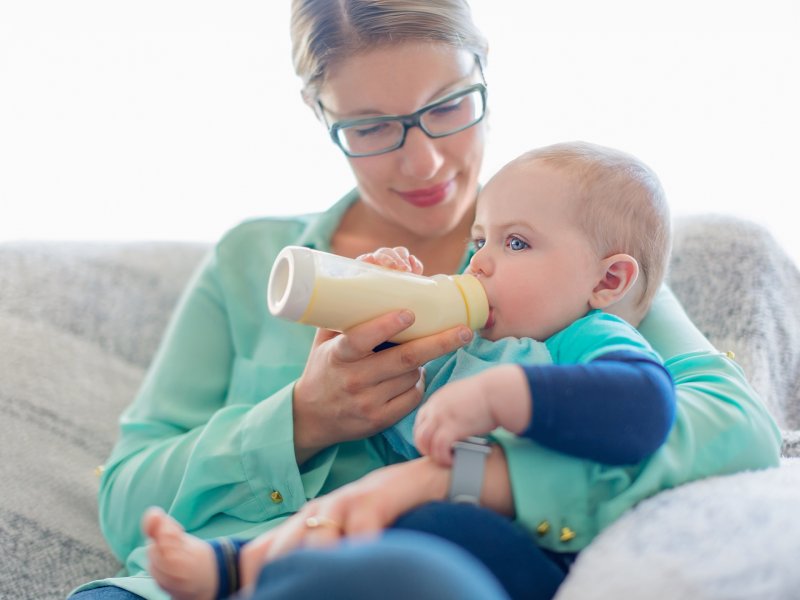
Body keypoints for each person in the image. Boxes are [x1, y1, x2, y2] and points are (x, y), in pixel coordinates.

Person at [70, 1, 780, 599]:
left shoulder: (572, 258)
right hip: (195, 581)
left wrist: (472, 477)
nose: (424, 163)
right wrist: (300, 420)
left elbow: (736, 425)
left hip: (413, 569)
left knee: (410, 575)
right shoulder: (249, 262)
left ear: (483, 73)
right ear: (319, 111)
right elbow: (128, 503)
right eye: (371, 126)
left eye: (447, 106)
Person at [141, 140, 680, 600]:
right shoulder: (468, 341)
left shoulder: (585, 336)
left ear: (607, 282)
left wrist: (504, 395)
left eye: (516, 243)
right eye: (479, 241)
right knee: (359, 513)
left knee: (411, 529)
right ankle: (236, 564)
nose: (481, 263)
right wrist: (381, 302)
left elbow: (645, 406)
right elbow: (382, 399)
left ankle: (250, 569)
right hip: (405, 519)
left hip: (514, 548)